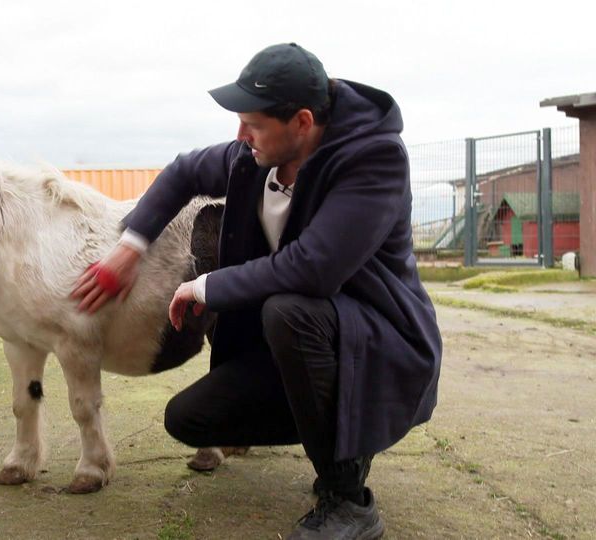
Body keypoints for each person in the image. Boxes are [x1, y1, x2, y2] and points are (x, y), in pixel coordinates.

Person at [71, 42, 441, 539]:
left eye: (255, 124)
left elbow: (314, 268)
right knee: (191, 420)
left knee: (289, 310)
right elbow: (183, 170)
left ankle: (348, 497)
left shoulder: (374, 161)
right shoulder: (253, 156)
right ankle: (337, 430)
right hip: (305, 346)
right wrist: (130, 247)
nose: (240, 135)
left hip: (377, 345)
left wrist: (206, 286)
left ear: (303, 123)